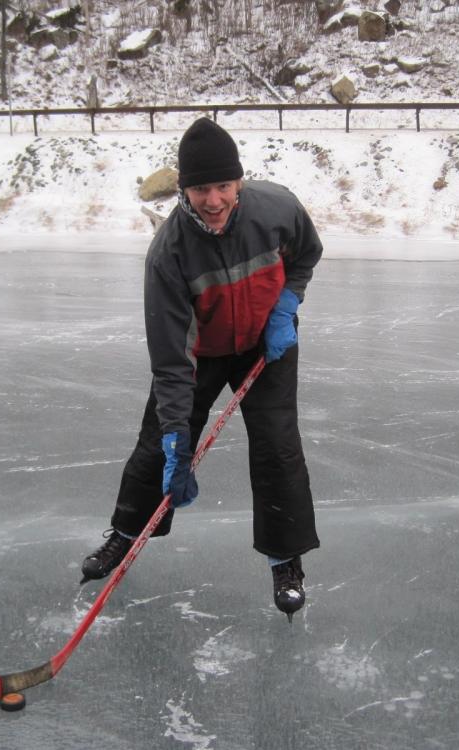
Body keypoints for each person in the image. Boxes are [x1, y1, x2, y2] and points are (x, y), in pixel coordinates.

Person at [79, 117, 323, 620]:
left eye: (223, 186)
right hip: (201, 355)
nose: (212, 200)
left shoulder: (276, 207)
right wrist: (175, 436)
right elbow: (170, 359)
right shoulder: (168, 254)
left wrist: (285, 306)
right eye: (199, 188)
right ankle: (125, 535)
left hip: (264, 344)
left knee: (278, 446)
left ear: (239, 181)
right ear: (182, 190)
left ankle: (285, 560)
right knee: (159, 445)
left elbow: (307, 253)